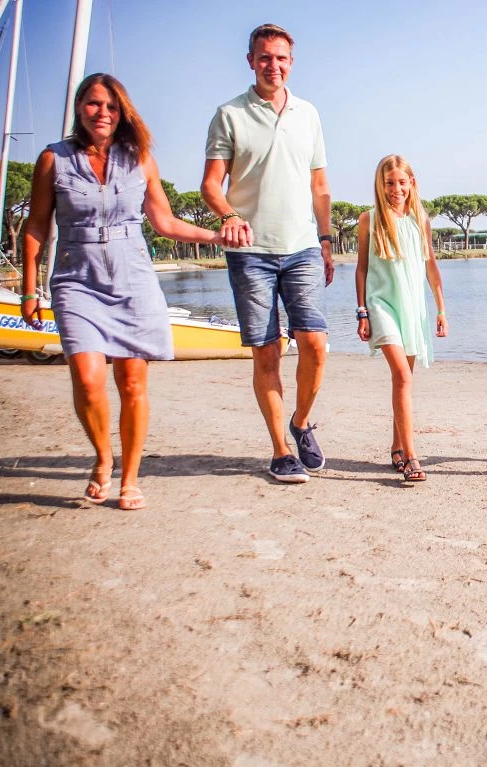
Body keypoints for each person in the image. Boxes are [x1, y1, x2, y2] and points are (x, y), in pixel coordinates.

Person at [19, 73, 225, 510]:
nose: (103, 113)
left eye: (112, 107)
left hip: (133, 276)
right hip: (76, 277)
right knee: (88, 380)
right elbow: (37, 225)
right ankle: (102, 457)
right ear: (79, 107)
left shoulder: (141, 159)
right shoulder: (53, 160)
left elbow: (165, 223)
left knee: (132, 381)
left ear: (123, 112)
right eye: (94, 104)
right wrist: (28, 288)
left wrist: (214, 237)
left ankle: (130, 477)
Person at [201, 23, 332, 484]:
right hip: (250, 253)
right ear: (251, 61)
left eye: (280, 57)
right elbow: (210, 186)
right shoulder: (229, 114)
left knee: (315, 344)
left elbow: (319, 187)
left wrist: (327, 238)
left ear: (290, 62)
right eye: (264, 57)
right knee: (268, 352)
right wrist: (229, 217)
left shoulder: (309, 114)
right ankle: (280, 450)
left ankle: (299, 423)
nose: (272, 65)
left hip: (302, 248)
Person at [354, 155, 447, 482]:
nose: (396, 189)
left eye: (401, 182)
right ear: (381, 185)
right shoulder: (370, 219)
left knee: (403, 380)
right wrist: (362, 311)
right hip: (381, 306)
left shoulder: (420, 219)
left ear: (412, 184)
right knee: (402, 378)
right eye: (389, 183)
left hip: (412, 307)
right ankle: (410, 456)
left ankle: (396, 446)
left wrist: (441, 308)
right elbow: (362, 269)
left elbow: (431, 266)